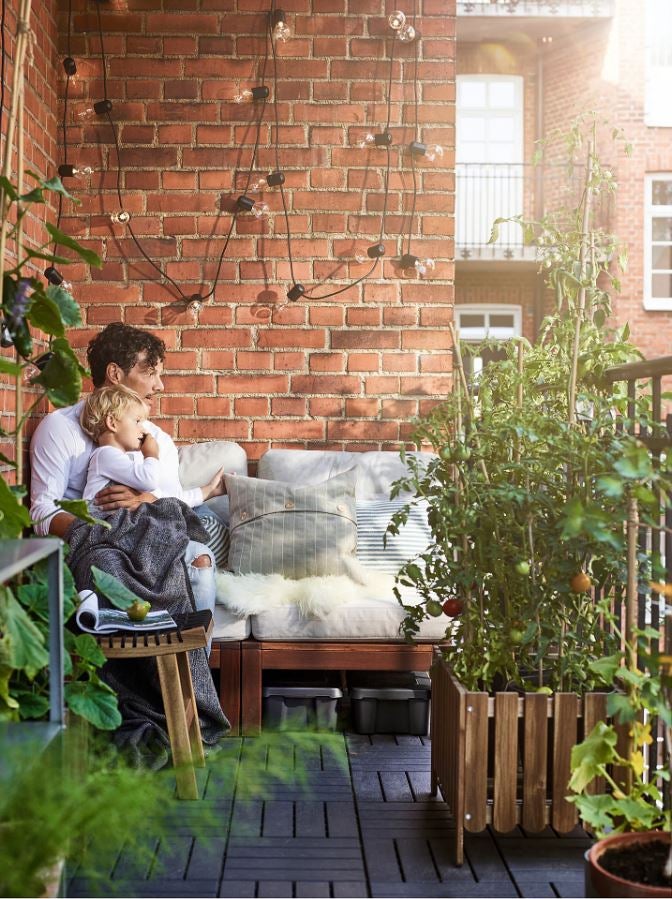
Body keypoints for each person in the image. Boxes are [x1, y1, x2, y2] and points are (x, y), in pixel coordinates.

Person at [29, 322, 219, 613]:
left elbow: (172, 506)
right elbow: (42, 511)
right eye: (150, 372)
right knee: (105, 565)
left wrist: (146, 501)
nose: (160, 385)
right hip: (91, 540)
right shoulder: (60, 428)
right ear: (115, 374)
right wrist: (103, 532)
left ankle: (187, 656)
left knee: (200, 561)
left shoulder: (156, 440)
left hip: (151, 537)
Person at [78, 383, 225, 621]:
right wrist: (151, 453)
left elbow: (156, 495)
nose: (143, 429)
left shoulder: (121, 461)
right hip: (105, 527)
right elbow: (148, 480)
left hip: (121, 524)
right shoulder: (105, 455)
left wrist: (208, 490)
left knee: (169, 517)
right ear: (112, 423)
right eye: (137, 421)